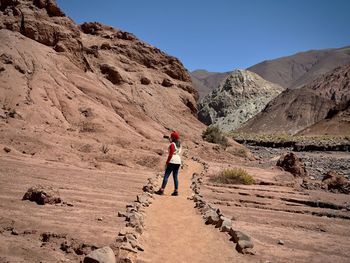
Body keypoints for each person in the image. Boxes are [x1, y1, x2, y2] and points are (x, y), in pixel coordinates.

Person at [155, 131, 182, 196]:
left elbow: (170, 154)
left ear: (173, 138)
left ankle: (161, 190)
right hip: (178, 161)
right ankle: (176, 191)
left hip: (172, 160)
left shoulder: (172, 144)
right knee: (175, 176)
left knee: (166, 175)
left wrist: (167, 162)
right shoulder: (179, 144)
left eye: (171, 137)